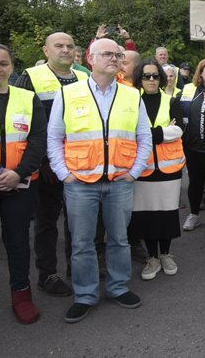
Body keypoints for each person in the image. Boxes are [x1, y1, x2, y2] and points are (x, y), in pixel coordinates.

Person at [47, 38, 152, 323]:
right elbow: (54, 138)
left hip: (120, 181)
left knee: (119, 239)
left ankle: (118, 287)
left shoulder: (132, 95)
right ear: (90, 59)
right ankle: (85, 295)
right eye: (107, 53)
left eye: (118, 54)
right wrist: (63, 174)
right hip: (80, 182)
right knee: (82, 243)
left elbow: (145, 137)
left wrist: (134, 171)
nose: (115, 58)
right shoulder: (68, 94)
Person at [15, 32, 89, 297]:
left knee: (78, 221)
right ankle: (47, 275)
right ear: (46, 51)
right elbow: (24, 124)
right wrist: (42, 161)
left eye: (70, 46)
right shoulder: (30, 77)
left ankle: (76, 268)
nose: (66, 50)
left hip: (81, 164)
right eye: (59, 46)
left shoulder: (84, 77)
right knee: (47, 222)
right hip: (47, 166)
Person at [0, 43, 46, 325]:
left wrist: (18, 173)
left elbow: (38, 142)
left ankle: (21, 296)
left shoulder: (27, 97)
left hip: (19, 185)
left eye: (4, 63)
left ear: (11, 66)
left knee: (18, 242)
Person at [130, 59, 185, 280]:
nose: (151, 80)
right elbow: (128, 132)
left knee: (167, 213)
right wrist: (163, 131)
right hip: (142, 169)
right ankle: (152, 257)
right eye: (146, 76)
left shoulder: (171, 101)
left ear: (161, 78)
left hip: (169, 169)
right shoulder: (132, 102)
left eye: (154, 75)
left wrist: (148, 134)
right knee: (145, 215)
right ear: (139, 79)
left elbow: (179, 129)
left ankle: (166, 254)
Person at [178, 58, 205, 231]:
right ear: (200, 73)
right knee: (195, 183)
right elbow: (177, 109)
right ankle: (194, 215)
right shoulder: (189, 90)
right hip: (193, 147)